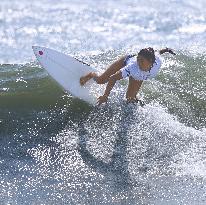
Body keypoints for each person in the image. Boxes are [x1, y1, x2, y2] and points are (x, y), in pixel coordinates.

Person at [80, 47, 176, 105]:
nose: (138, 62)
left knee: (130, 99)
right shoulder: (133, 67)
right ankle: (91, 75)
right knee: (101, 80)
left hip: (139, 76)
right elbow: (113, 78)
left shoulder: (157, 62)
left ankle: (136, 99)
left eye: (141, 61)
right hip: (125, 60)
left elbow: (159, 52)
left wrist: (167, 49)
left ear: (151, 62)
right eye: (138, 59)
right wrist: (105, 96)